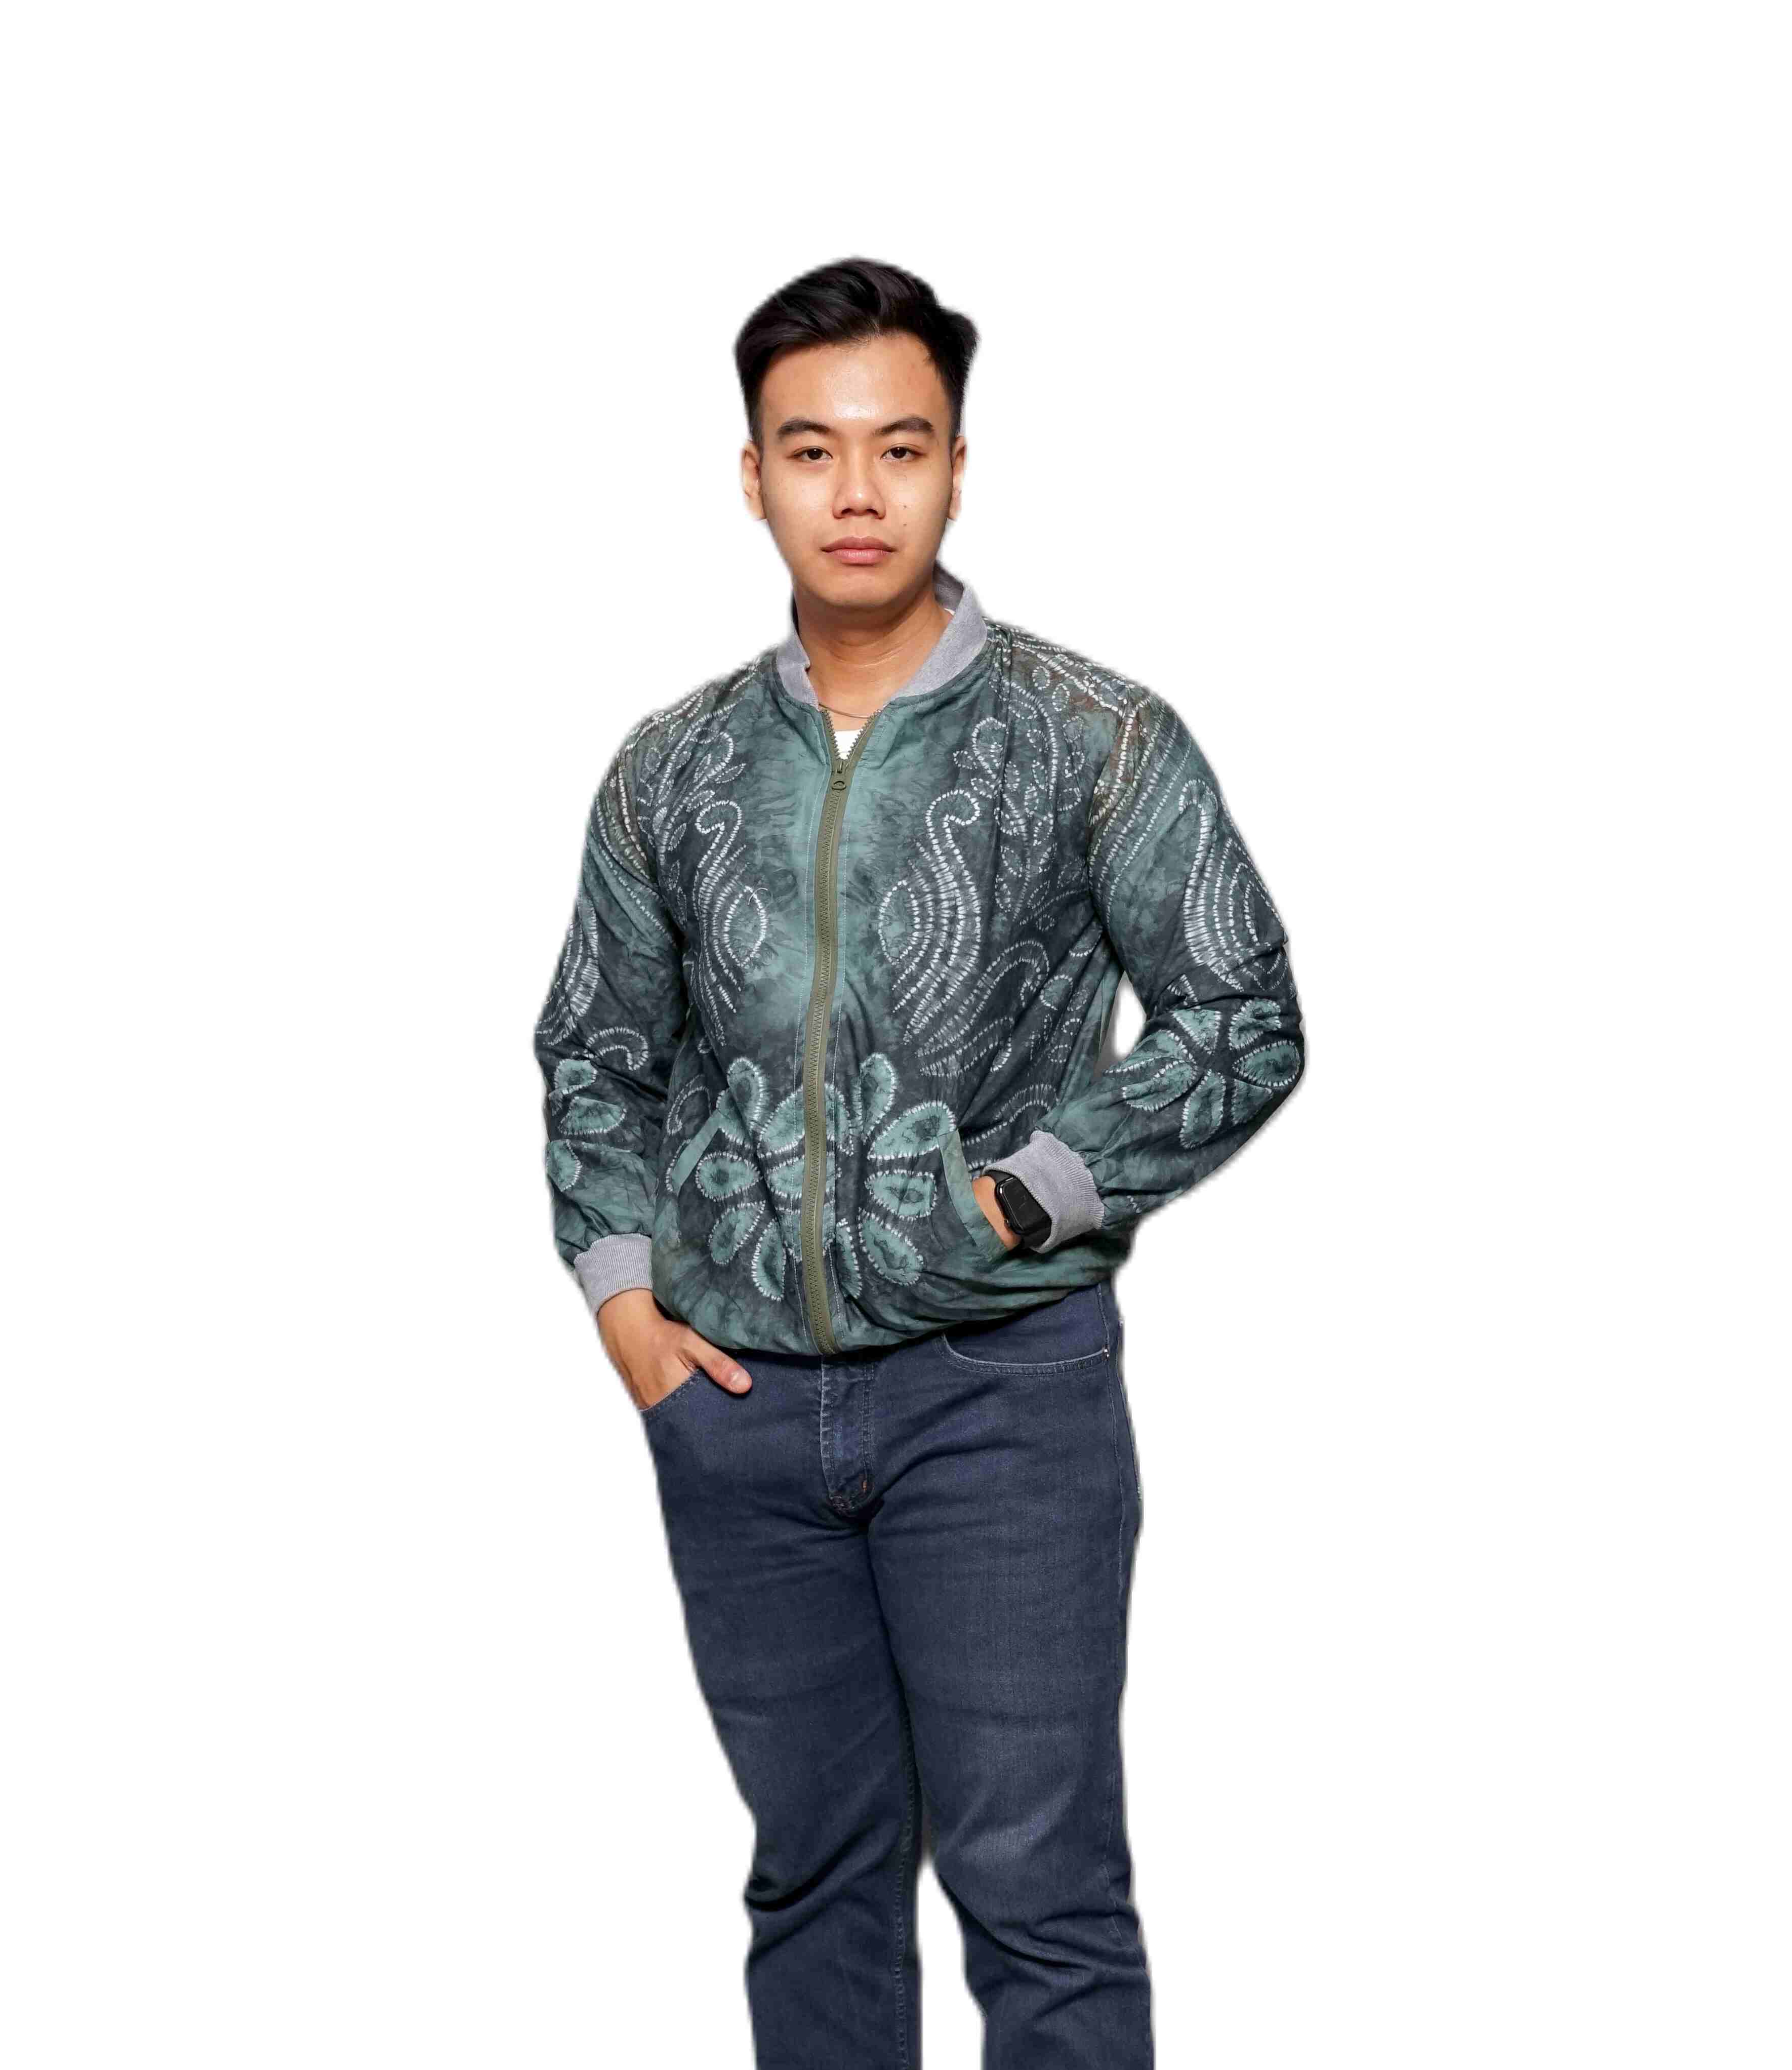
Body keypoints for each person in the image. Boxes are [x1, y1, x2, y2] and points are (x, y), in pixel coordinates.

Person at [534, 256, 1305, 2068]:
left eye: (900, 446)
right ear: (753, 477)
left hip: (1001, 1395)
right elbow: (596, 1050)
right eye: (811, 450)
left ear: (959, 464)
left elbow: (1242, 1010)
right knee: (811, 1878)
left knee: (1039, 1892)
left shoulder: (1093, 736)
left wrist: (1025, 1190)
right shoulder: (668, 769)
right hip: (736, 1411)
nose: (857, 490)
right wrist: (626, 1303)